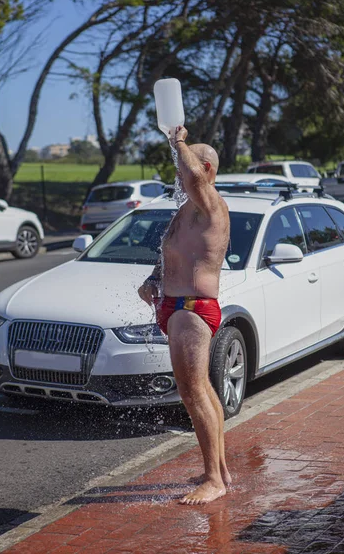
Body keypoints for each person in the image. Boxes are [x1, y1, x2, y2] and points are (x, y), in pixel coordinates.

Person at [138, 125, 231, 505]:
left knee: (191, 392)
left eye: (185, 165)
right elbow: (173, 254)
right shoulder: (186, 210)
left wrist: (178, 140)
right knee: (202, 389)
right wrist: (154, 279)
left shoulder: (210, 204)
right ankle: (220, 469)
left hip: (193, 309)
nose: (179, 172)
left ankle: (213, 479)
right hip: (175, 307)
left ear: (207, 169)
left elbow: (193, 175)